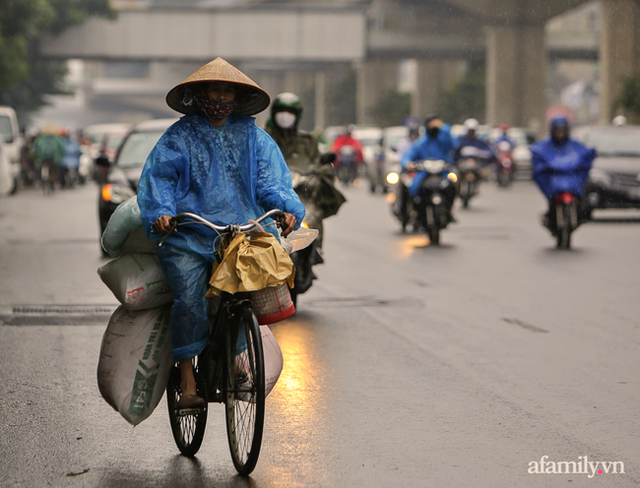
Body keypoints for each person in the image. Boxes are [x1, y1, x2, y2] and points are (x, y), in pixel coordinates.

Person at [137, 57, 305, 409]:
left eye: (228, 91)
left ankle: (233, 359)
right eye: (216, 90)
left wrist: (287, 207)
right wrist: (163, 212)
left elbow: (271, 180)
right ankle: (186, 379)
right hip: (189, 235)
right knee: (189, 300)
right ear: (201, 94)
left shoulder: (254, 138)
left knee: (247, 298)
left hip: (241, 232)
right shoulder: (179, 136)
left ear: (237, 97)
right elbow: (160, 178)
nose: (222, 97)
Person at [264, 92, 345, 249]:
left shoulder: (307, 142)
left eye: (290, 112)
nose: (285, 116)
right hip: (268, 200)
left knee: (313, 218)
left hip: (300, 195)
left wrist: (319, 173)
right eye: (282, 111)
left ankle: (316, 250)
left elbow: (320, 164)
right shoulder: (263, 137)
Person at [530, 116, 595, 234]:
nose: (560, 134)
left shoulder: (574, 145)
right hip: (555, 183)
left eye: (562, 131)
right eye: (557, 131)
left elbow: (585, 155)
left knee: (586, 204)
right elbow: (537, 159)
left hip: (571, 182)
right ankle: (550, 219)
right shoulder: (544, 146)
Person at [400, 114, 458, 224]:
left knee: (452, 185)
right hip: (424, 173)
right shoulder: (421, 143)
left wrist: (444, 127)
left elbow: (454, 144)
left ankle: (448, 211)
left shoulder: (443, 141)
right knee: (413, 187)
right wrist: (407, 163)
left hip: (442, 172)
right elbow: (408, 155)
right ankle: (416, 212)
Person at [33, 125, 66, 191]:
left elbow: (36, 146)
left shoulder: (41, 139)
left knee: (41, 168)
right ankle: (53, 182)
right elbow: (62, 148)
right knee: (54, 171)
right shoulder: (57, 139)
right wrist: (60, 155)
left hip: (43, 158)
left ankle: (41, 181)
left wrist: (37, 155)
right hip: (54, 159)